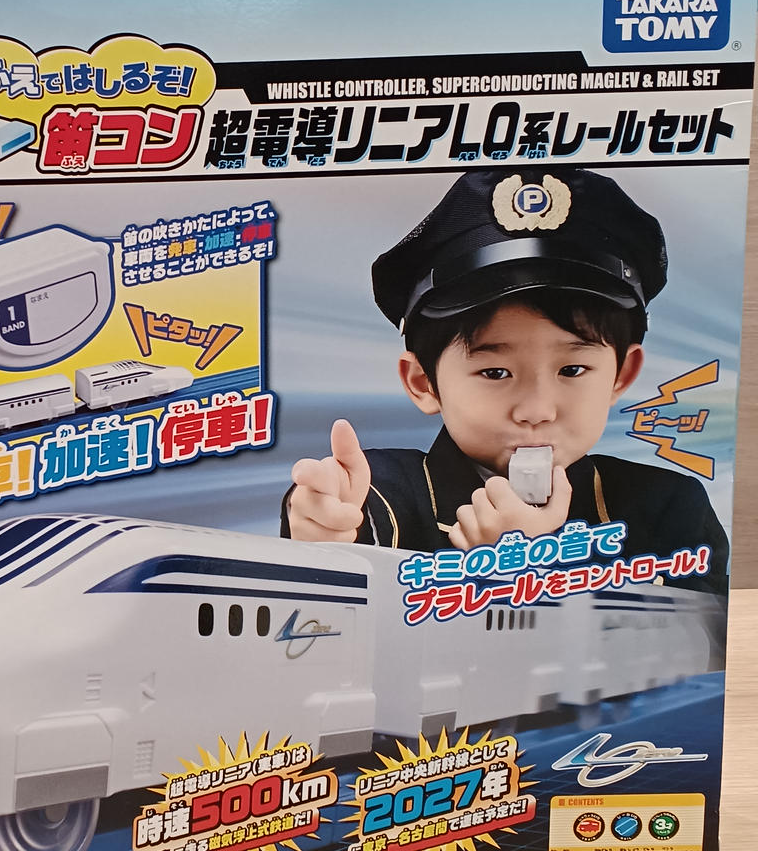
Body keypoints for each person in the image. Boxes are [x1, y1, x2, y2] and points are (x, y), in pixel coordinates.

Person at [281, 168, 728, 594]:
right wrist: (323, 534)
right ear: (423, 382)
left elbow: (698, 640)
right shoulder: (378, 495)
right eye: (495, 372)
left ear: (622, 374)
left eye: (572, 370)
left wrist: (541, 568)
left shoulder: (667, 507)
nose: (536, 411)